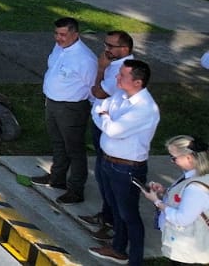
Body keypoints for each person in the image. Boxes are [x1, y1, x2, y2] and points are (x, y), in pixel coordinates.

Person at [91, 59, 161, 266]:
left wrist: (105, 118)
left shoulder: (145, 108)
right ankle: (118, 248)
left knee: (129, 214)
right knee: (115, 208)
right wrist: (106, 117)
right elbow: (98, 108)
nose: (117, 78)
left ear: (138, 82)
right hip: (108, 161)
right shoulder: (121, 95)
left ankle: (135, 260)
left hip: (127, 168)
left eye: (122, 76)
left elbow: (113, 130)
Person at [36, 16, 99, 203]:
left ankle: (76, 189)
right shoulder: (59, 48)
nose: (58, 38)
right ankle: (57, 178)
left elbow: (92, 87)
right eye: (56, 33)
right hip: (53, 103)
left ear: (75, 34)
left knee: (74, 149)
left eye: (63, 34)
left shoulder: (85, 59)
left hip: (72, 108)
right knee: (58, 144)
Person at [86, 30, 138, 238]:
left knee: (107, 178)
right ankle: (106, 215)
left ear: (124, 49)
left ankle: (113, 225)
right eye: (105, 45)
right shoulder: (114, 64)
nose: (106, 50)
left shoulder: (123, 70)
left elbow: (98, 92)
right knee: (101, 174)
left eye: (111, 46)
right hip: (101, 122)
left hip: (111, 130)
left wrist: (100, 68)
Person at [143, 135, 209, 265]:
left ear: (189, 158)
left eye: (174, 158)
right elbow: (187, 198)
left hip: (187, 249)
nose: (172, 161)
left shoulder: (195, 188)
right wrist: (166, 191)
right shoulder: (195, 176)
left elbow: (181, 219)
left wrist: (157, 202)